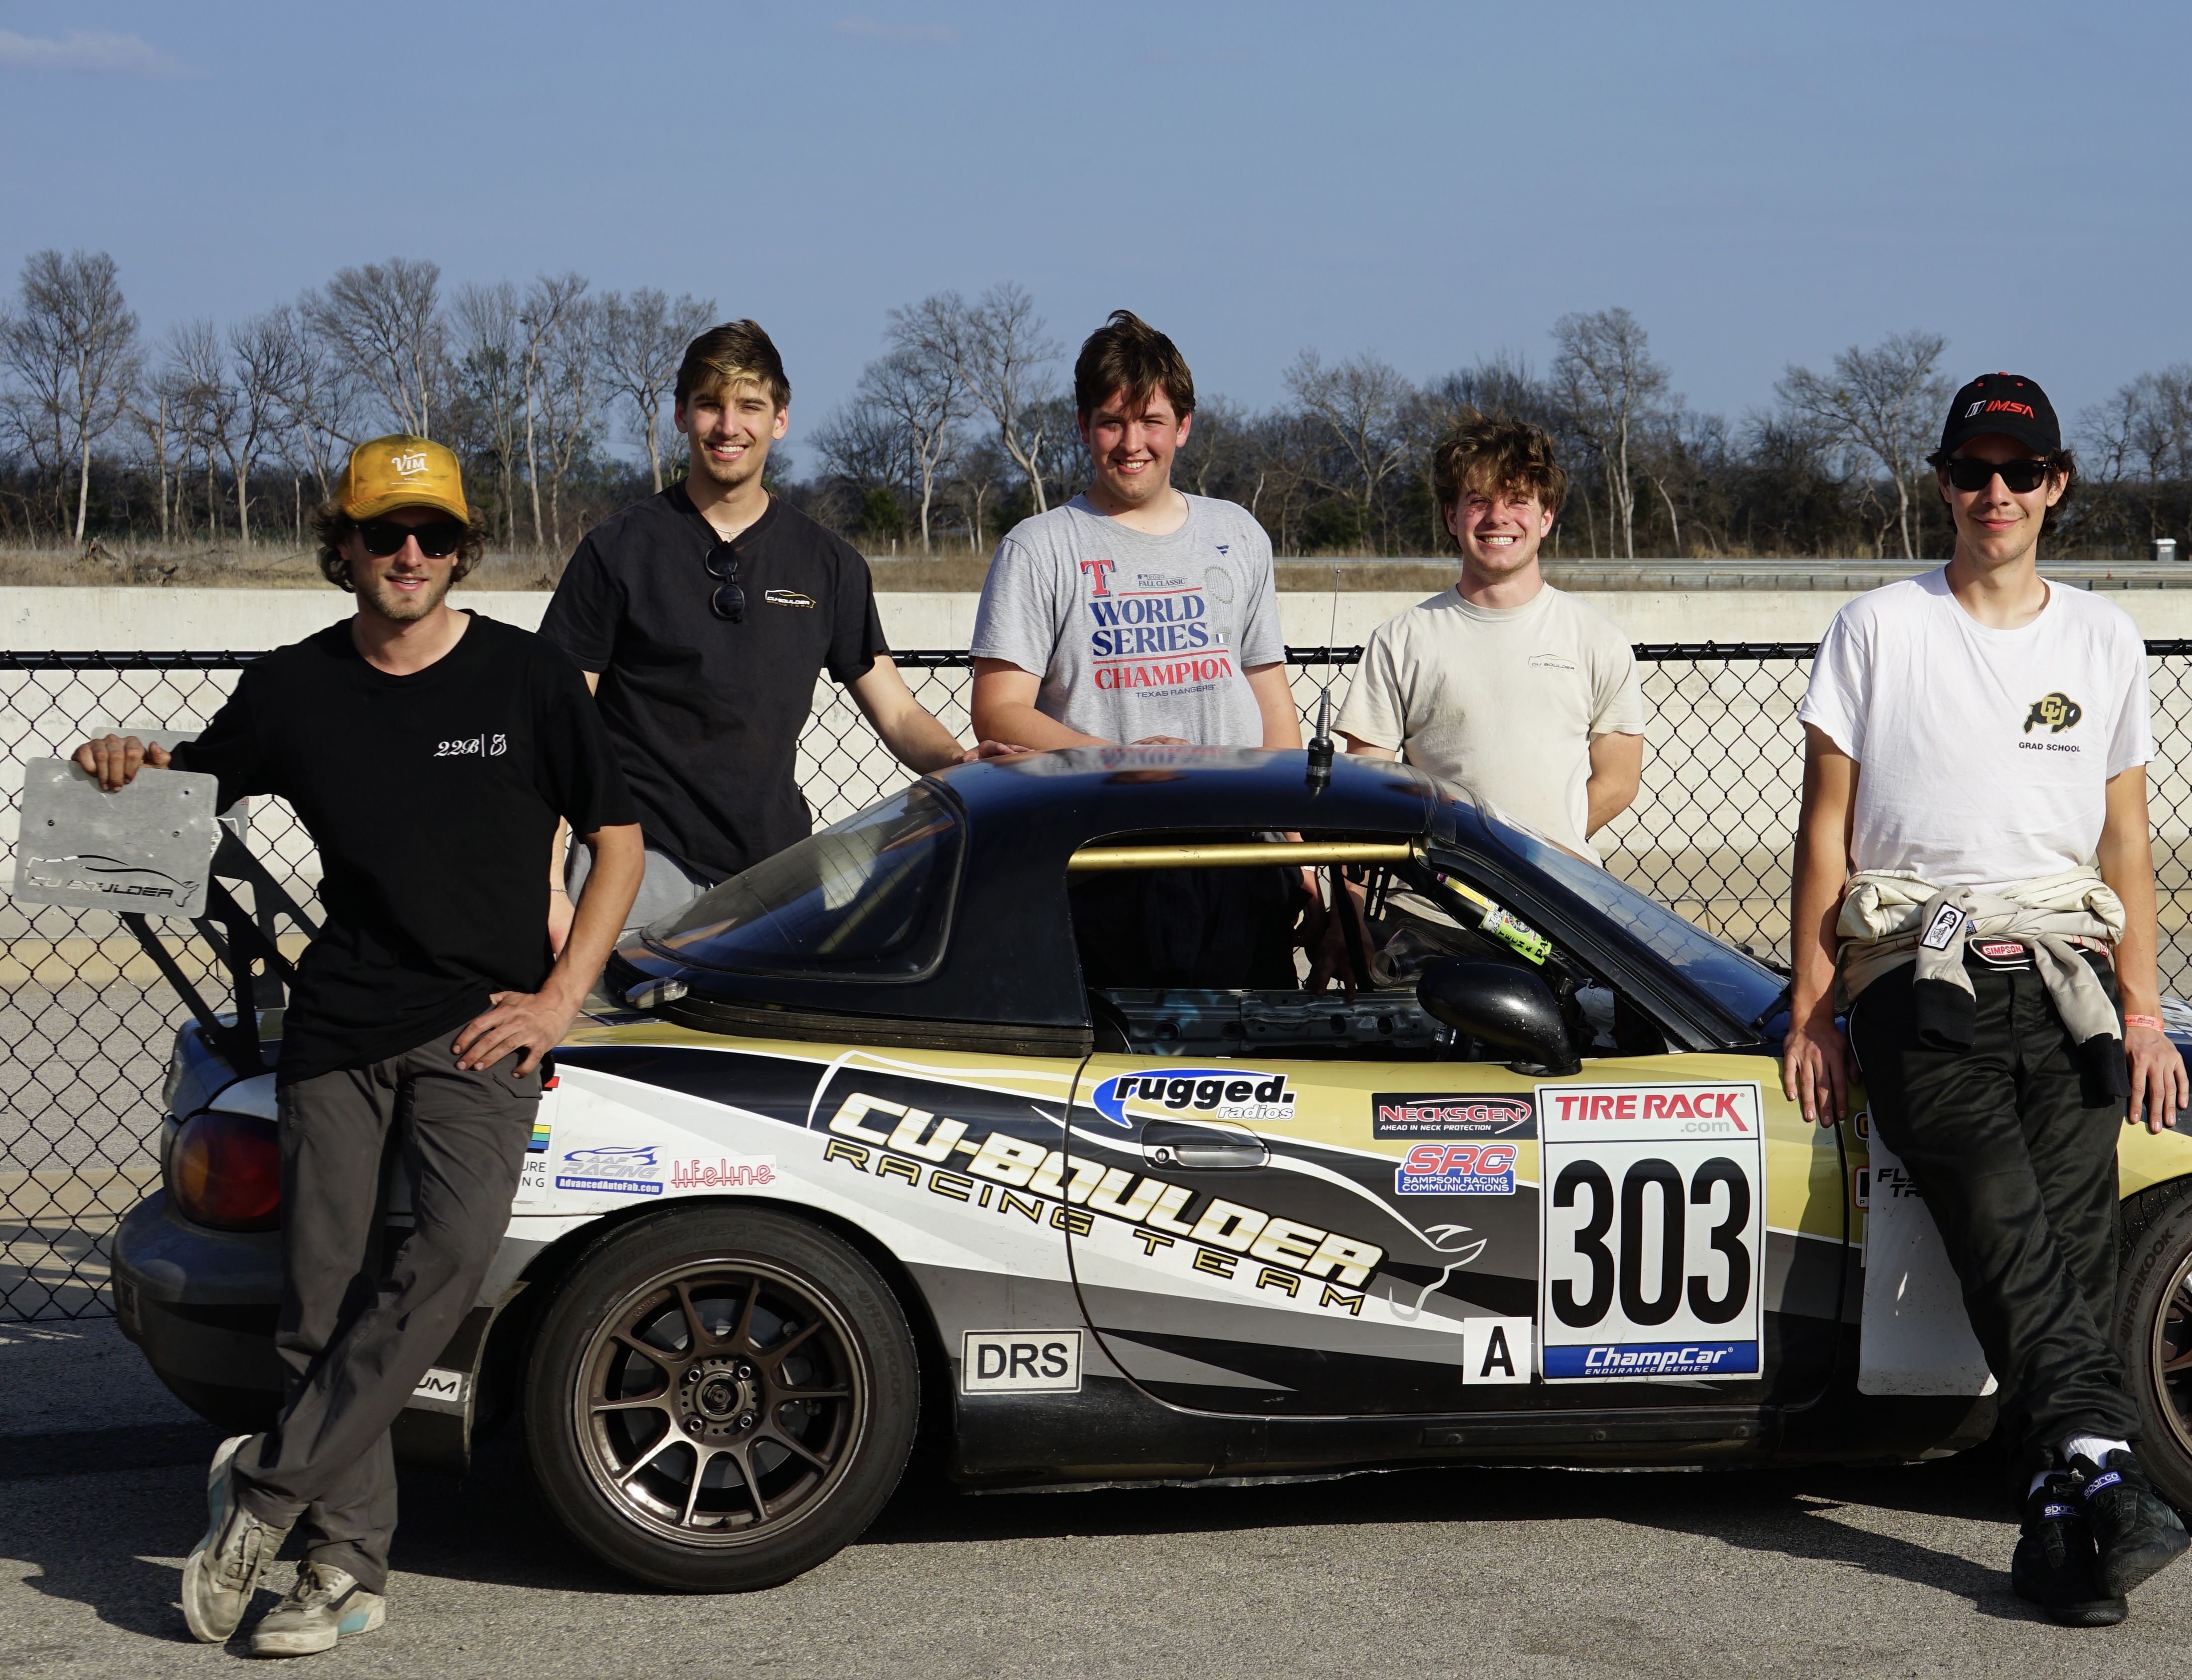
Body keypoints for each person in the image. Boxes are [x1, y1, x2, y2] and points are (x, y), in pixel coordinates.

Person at [75, 435, 642, 1656]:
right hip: (338, 1025)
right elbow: (187, 784)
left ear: (462, 551)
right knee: (319, 1306)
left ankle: (266, 1488)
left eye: (435, 535)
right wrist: (123, 761)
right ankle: (344, 1566)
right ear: (341, 547)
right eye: (385, 534)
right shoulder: (293, 687)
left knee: (445, 1255)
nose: (411, 554)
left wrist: (559, 1001)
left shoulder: (527, 679)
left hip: (485, 1025)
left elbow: (621, 844)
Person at [1776, 374, 2192, 1627]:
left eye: (2021, 472)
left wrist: (2147, 1010)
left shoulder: (2105, 639)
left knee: (2062, 1256)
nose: (1995, 495)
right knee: (2003, 1219)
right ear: (1943, 484)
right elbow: (1825, 827)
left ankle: (2066, 1532)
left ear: (2058, 485)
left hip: (2067, 981)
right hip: (1920, 970)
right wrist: (1813, 1006)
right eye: (1973, 472)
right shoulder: (1876, 627)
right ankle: (2114, 1459)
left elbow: (2126, 842)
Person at [542, 318, 1004, 938]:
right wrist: (549, 890)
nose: (729, 427)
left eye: (750, 407)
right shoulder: (617, 551)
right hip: (633, 867)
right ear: (681, 415)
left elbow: (895, 712)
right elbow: (551, 731)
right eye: (710, 405)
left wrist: (962, 759)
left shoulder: (829, 563)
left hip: (774, 876)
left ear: (780, 419)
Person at [968, 309, 1299, 754]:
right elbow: (998, 711)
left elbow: (1272, 701)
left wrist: (1290, 822)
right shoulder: (1036, 549)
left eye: (1151, 421)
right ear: (1084, 427)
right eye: (1112, 423)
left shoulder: (1239, 532)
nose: (1131, 444)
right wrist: (1122, 764)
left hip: (1234, 818)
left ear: (1183, 426)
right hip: (1101, 820)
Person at [1335, 414, 1644, 859]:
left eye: (1518, 500)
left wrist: (1530, 856)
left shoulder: (1598, 640)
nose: (1498, 517)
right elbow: (1368, 787)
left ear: (1546, 518)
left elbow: (1618, 782)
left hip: (1558, 905)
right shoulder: (1399, 641)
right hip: (1431, 908)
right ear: (1451, 516)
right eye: (1478, 501)